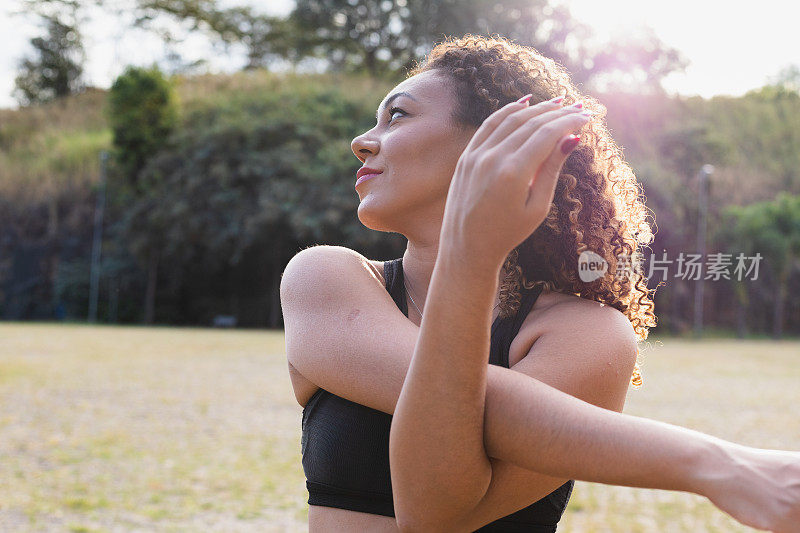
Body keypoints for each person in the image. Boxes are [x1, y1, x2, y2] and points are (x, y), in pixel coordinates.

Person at [280, 34, 800, 532]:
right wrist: (720, 464)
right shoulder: (325, 278)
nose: (361, 142)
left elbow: (433, 516)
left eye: (397, 115)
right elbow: (476, 404)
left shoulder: (589, 334)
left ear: (500, 140)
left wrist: (469, 253)